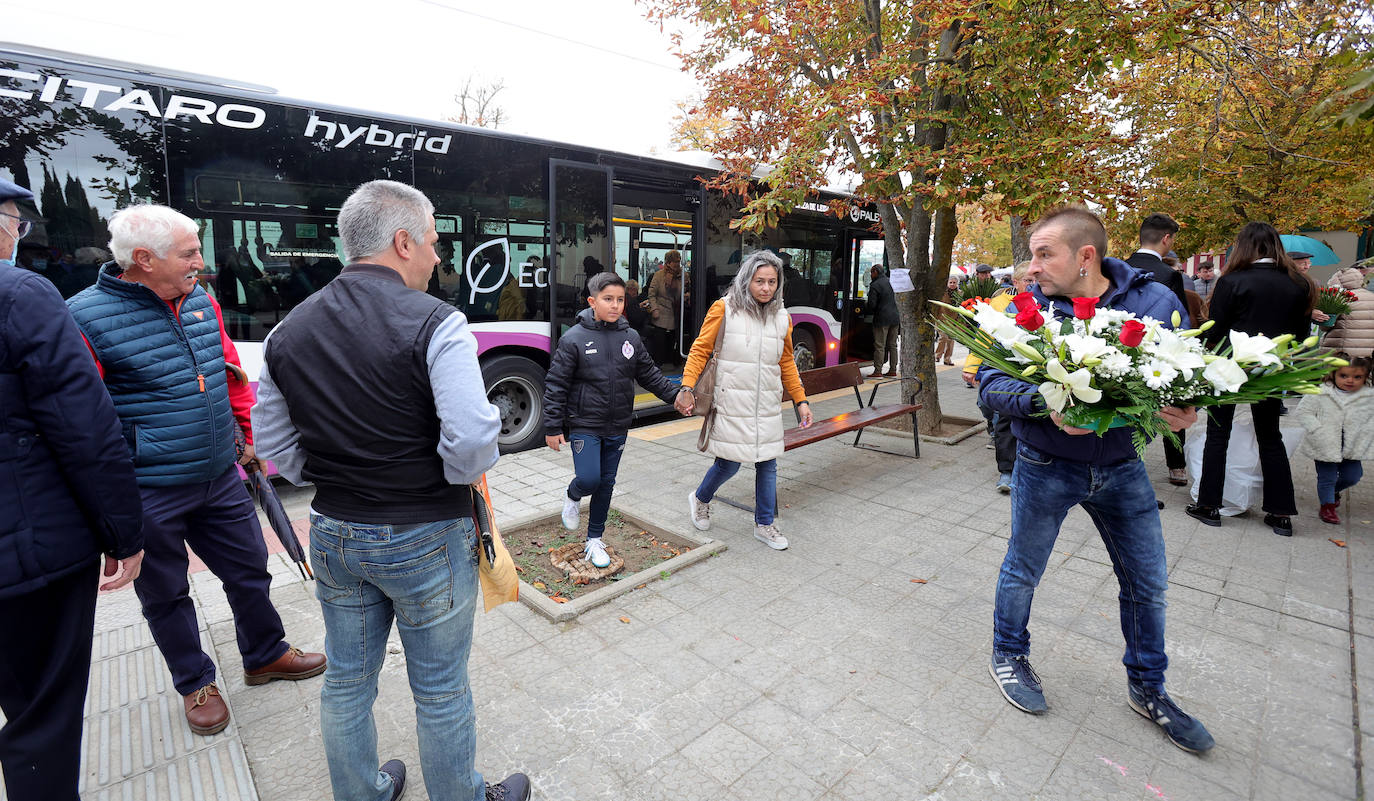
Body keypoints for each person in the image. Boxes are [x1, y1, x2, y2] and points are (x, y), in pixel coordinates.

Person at [252, 180, 528, 801]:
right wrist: (438, 482)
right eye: (433, 242)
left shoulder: (286, 333)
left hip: (333, 533)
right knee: (441, 688)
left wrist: (334, 476)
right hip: (426, 534)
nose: (437, 257)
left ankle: (363, 792)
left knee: (347, 681)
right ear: (403, 242)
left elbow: (274, 447)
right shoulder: (437, 322)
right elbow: (471, 443)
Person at [66, 204, 324, 738]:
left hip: (219, 477)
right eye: (188, 253)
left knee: (252, 570)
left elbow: (230, 375)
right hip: (148, 490)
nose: (201, 263)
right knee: (165, 594)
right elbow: (80, 421)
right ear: (143, 259)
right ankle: (195, 683)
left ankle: (264, 655)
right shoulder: (82, 318)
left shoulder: (200, 301)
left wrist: (247, 442)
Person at [979, 206, 1214, 754]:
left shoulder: (1155, 303)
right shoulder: (1025, 309)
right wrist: (1045, 402)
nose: (1032, 267)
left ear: (1086, 257)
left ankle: (1148, 687)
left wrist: (1185, 406)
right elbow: (989, 384)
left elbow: (1188, 373)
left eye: (1044, 254)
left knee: (1147, 583)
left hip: (1123, 469)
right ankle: (1009, 654)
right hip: (1043, 464)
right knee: (1023, 569)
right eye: (1032, 255)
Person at [0, 179, 144, 801]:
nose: (17, 234)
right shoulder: (20, 295)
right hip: (31, 555)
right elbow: (85, 428)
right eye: (14, 220)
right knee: (44, 714)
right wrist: (123, 533)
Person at [543, 272, 684, 568]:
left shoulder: (630, 337)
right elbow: (556, 384)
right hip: (585, 425)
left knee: (606, 483)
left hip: (618, 425)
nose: (616, 305)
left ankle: (594, 539)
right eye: (608, 299)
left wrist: (675, 397)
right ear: (592, 301)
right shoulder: (574, 339)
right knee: (589, 479)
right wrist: (553, 426)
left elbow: (649, 375)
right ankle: (573, 494)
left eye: (620, 300)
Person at [1187, 222, 1315, 536]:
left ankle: (1210, 505)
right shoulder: (1299, 283)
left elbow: (1215, 329)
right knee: (1271, 437)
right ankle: (1281, 512)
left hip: (1231, 364)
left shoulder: (1232, 280)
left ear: (1244, 246)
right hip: (1272, 366)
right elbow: (1301, 334)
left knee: (1219, 434)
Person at [682, 251, 812, 551]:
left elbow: (787, 362)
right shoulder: (724, 309)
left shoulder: (782, 317)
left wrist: (800, 400)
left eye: (772, 282)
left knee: (768, 463)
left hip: (766, 405)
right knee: (729, 465)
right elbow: (700, 350)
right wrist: (687, 387)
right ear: (746, 280)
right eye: (759, 281)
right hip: (731, 402)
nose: (766, 288)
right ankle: (700, 498)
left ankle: (764, 524)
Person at [1125, 213, 1191, 486]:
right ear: (1167, 238)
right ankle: (1176, 466)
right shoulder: (1169, 275)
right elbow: (1180, 320)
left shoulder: (1119, 268)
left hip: (1122, 350)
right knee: (1172, 407)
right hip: (1159, 354)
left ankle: (1128, 462)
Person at [962, 261, 1031, 493]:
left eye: (1036, 280)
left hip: (1035, 372)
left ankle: (1028, 468)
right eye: (1028, 281)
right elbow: (984, 337)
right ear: (1016, 282)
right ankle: (1007, 471)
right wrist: (971, 367)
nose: (1033, 285)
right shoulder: (1001, 304)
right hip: (1004, 370)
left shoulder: (1047, 302)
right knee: (1002, 417)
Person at [1293, 355, 1372, 525]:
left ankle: (1333, 492)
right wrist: (1317, 429)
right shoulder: (1321, 392)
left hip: (1352, 445)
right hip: (1325, 443)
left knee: (1353, 476)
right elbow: (1303, 412)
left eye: (1357, 377)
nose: (1350, 381)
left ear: (1365, 377)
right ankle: (1327, 506)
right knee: (1327, 477)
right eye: (1344, 376)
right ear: (1333, 375)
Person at [1320, 265, 1374, 358]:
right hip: (1367, 351)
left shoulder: (1339, 298)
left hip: (1341, 350)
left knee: (1337, 372)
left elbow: (1326, 326)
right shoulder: (1372, 296)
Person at [646, 249, 683, 367]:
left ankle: (673, 363)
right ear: (668, 262)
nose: (677, 264)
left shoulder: (683, 275)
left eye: (678, 261)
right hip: (661, 313)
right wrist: (654, 309)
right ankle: (658, 365)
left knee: (673, 341)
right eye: (674, 261)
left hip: (676, 312)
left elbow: (684, 291)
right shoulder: (658, 275)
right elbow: (651, 294)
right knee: (659, 343)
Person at [867, 264, 901, 375]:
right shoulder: (892, 282)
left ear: (875, 272)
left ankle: (878, 371)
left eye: (871, 273)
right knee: (893, 345)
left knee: (880, 345)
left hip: (881, 319)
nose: (871, 275)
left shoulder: (875, 285)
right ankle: (893, 370)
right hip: (895, 318)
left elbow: (872, 305)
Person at [933, 274, 959, 365]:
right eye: (950, 282)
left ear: (957, 283)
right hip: (941, 319)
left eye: (954, 283)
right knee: (943, 337)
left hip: (954, 321)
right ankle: (937, 355)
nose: (952, 284)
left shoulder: (960, 293)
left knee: (951, 340)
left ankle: (947, 359)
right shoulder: (942, 293)